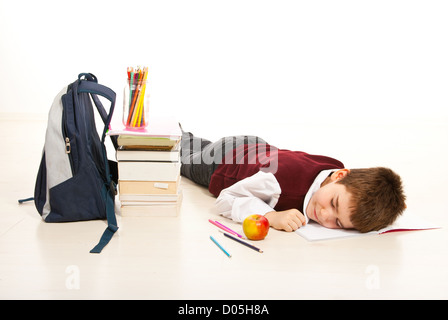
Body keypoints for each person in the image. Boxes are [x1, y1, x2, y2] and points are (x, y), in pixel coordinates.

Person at [180, 128, 406, 233]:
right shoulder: (278, 184)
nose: (325, 215)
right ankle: (172, 133)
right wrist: (271, 216)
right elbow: (226, 197)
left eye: (337, 223)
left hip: (254, 146)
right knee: (180, 157)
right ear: (340, 176)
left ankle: (185, 135)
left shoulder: (333, 172)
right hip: (221, 161)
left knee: (197, 145)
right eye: (334, 204)